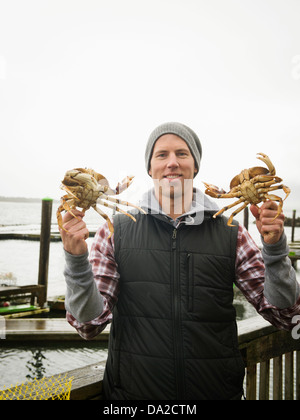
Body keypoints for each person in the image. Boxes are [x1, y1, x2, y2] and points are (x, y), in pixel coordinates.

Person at [60, 122, 300, 400]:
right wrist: (77, 261)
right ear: (149, 168)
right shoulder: (115, 231)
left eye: (182, 154)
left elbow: (285, 316)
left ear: (195, 167)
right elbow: (88, 325)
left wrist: (274, 250)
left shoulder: (231, 232)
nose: (172, 163)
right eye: (161, 155)